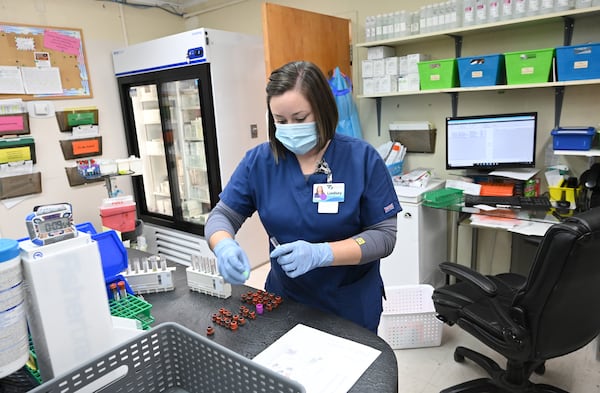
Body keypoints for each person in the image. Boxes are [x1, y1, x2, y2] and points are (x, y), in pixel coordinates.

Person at [205, 60, 401, 332]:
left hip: (348, 305)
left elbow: (384, 235)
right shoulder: (260, 162)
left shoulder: (361, 159)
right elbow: (222, 215)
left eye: (299, 119)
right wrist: (224, 246)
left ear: (322, 110)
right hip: (285, 301)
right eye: (280, 121)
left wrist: (323, 253)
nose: (290, 128)